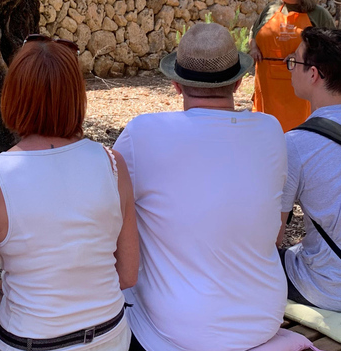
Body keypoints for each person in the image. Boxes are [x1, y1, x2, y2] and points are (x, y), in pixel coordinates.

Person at [113, 23, 288, 351]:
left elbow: (106, 210)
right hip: (265, 316)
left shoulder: (144, 134)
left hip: (179, 326)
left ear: (176, 84)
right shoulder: (270, 130)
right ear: (237, 82)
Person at [0, 34, 139, 351]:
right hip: (109, 335)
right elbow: (126, 274)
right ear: (77, 97)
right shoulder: (113, 164)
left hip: (30, 341)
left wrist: (10, 287)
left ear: (12, 96)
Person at [277, 27, 341, 311]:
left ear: (314, 74)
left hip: (330, 290)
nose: (290, 67)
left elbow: (272, 235)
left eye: (295, 60)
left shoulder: (296, 143)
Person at [249, 0, 335, 132]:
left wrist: (305, 56)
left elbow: (332, 48)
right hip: (267, 86)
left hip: (301, 91)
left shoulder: (318, 15)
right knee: (268, 131)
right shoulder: (271, 9)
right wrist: (253, 47)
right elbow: (254, 31)